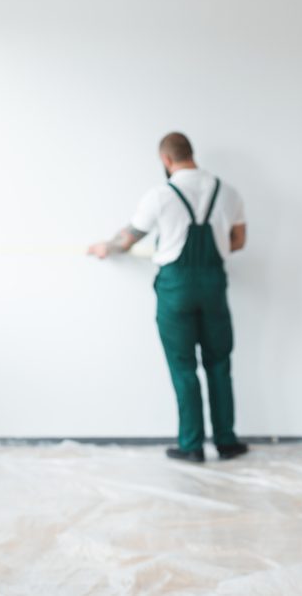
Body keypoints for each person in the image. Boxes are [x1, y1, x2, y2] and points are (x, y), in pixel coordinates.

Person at [88, 132, 248, 462]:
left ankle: (191, 446)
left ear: (166, 160)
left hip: (175, 290)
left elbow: (128, 237)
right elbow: (238, 240)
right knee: (219, 364)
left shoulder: (160, 195)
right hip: (214, 285)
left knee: (183, 366)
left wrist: (106, 247)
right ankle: (226, 442)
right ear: (191, 153)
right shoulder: (228, 192)